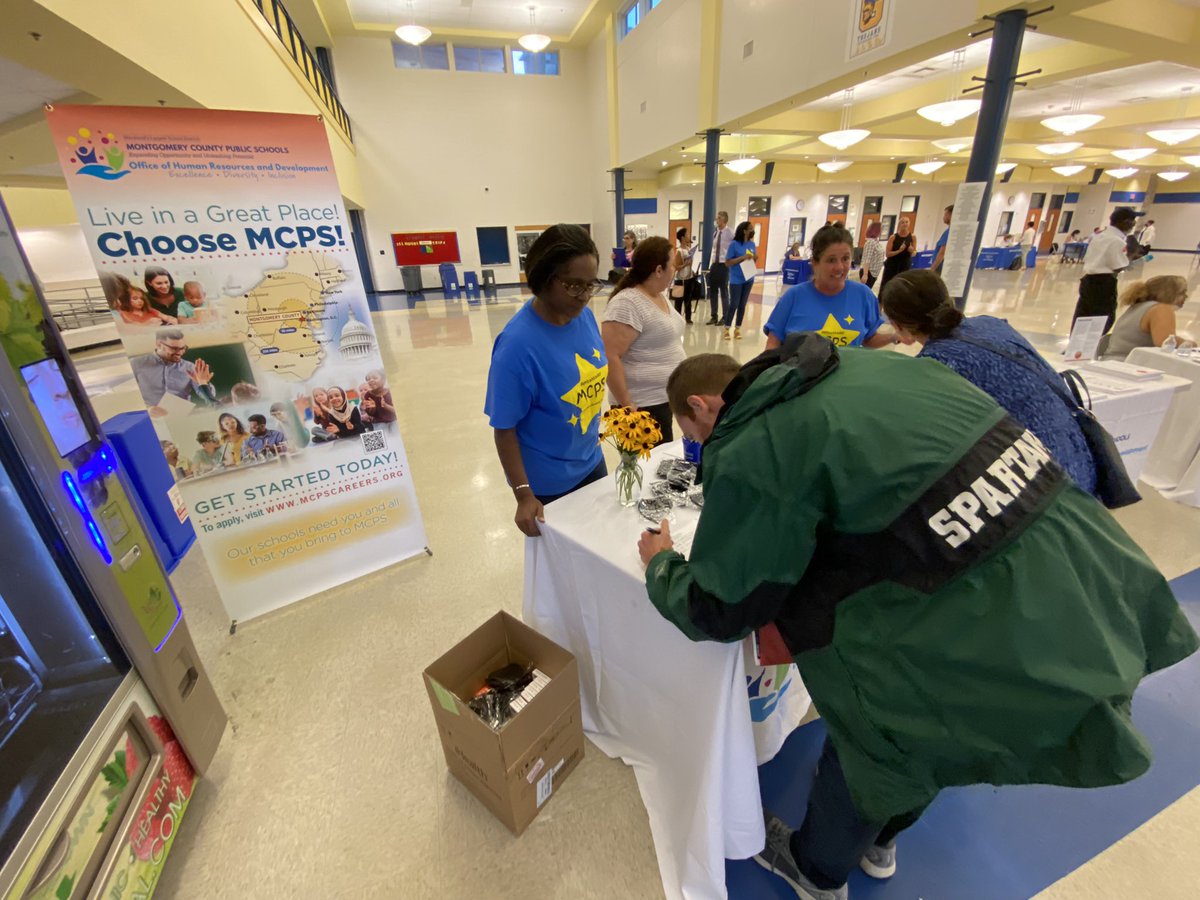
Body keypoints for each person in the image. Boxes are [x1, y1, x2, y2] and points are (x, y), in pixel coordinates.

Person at [635, 337, 1197, 900]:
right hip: (1071, 569)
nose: (701, 446)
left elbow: (723, 606)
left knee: (880, 737)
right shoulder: (867, 367)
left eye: (696, 435)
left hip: (947, 613)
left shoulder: (756, 439)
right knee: (937, 736)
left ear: (704, 405)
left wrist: (663, 567)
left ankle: (816, 870)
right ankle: (881, 841)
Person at [882, 269, 1098, 495]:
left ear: (898, 326)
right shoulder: (992, 324)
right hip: (1081, 463)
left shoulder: (935, 365)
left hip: (1040, 487)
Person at [485, 224, 609, 536]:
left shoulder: (585, 317)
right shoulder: (517, 347)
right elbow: (505, 429)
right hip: (549, 486)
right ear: (543, 278)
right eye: (573, 285)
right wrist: (524, 494)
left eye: (590, 284)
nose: (584, 296)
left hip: (592, 462)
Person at [601, 236, 686, 443]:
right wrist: (627, 406)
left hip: (662, 400)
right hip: (641, 406)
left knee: (658, 465)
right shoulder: (627, 303)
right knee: (644, 470)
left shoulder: (658, 295)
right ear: (658, 270)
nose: (675, 268)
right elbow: (610, 356)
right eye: (671, 264)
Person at [764, 224, 893, 350]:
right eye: (831, 260)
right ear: (815, 263)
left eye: (845, 259)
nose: (839, 267)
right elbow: (773, 344)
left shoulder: (864, 295)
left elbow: (869, 338)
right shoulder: (793, 297)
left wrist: (895, 337)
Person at [1071, 206, 1141, 332]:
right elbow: (1119, 266)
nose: (1134, 224)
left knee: (1083, 318)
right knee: (1101, 320)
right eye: (1133, 220)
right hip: (1103, 283)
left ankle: (1076, 346)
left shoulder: (1100, 236)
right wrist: (1132, 257)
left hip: (1088, 281)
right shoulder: (1116, 241)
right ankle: (1088, 348)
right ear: (1125, 222)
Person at [1102, 275, 1195, 359]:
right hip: (1130, 365)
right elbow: (1165, 342)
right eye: (1182, 292)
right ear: (1169, 292)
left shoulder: (1137, 307)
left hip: (1112, 361)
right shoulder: (1161, 309)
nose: (1186, 297)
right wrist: (1190, 344)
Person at [130, 328, 216, 411]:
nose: (180, 353)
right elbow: (129, 396)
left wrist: (203, 383)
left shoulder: (190, 367)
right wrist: (147, 409)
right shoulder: (136, 364)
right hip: (150, 416)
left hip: (182, 416)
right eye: (174, 348)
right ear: (159, 344)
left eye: (183, 348)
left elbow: (211, 398)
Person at [723, 221, 757, 341]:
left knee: (742, 305)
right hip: (736, 279)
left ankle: (737, 328)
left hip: (749, 277)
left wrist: (754, 257)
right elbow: (727, 263)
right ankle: (727, 328)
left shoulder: (752, 244)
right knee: (734, 304)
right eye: (750, 228)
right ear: (744, 231)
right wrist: (742, 257)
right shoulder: (734, 244)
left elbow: (754, 259)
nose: (752, 230)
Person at [706, 211, 734, 325]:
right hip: (715, 264)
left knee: (723, 291)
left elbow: (735, 246)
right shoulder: (716, 232)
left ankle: (725, 317)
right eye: (716, 218)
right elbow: (714, 250)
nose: (716, 220)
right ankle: (714, 316)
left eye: (718, 218)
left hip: (724, 264)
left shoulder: (730, 232)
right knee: (712, 291)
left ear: (724, 220)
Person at [877, 217, 914, 295]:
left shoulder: (913, 237)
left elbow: (914, 252)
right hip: (892, 265)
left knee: (901, 287)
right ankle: (880, 304)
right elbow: (887, 254)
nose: (905, 224)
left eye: (906, 222)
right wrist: (899, 251)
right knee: (886, 286)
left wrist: (912, 251)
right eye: (903, 222)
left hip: (905, 265)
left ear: (909, 223)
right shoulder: (893, 237)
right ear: (899, 224)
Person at [672, 228, 699, 324]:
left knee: (688, 299)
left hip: (689, 278)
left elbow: (689, 265)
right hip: (680, 279)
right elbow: (677, 267)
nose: (689, 236)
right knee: (679, 300)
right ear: (682, 238)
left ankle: (688, 318)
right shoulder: (679, 251)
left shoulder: (689, 249)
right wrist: (685, 264)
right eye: (687, 235)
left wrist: (692, 271)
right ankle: (677, 319)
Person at [859, 222, 885, 290]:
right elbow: (867, 259)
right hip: (868, 272)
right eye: (881, 228)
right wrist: (865, 274)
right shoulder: (870, 242)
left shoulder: (876, 242)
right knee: (865, 292)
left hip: (874, 273)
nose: (882, 231)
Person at [931, 204, 953, 274]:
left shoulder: (949, 232)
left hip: (939, 268)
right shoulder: (948, 231)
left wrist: (932, 269)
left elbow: (942, 253)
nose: (943, 217)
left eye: (945, 215)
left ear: (950, 215)